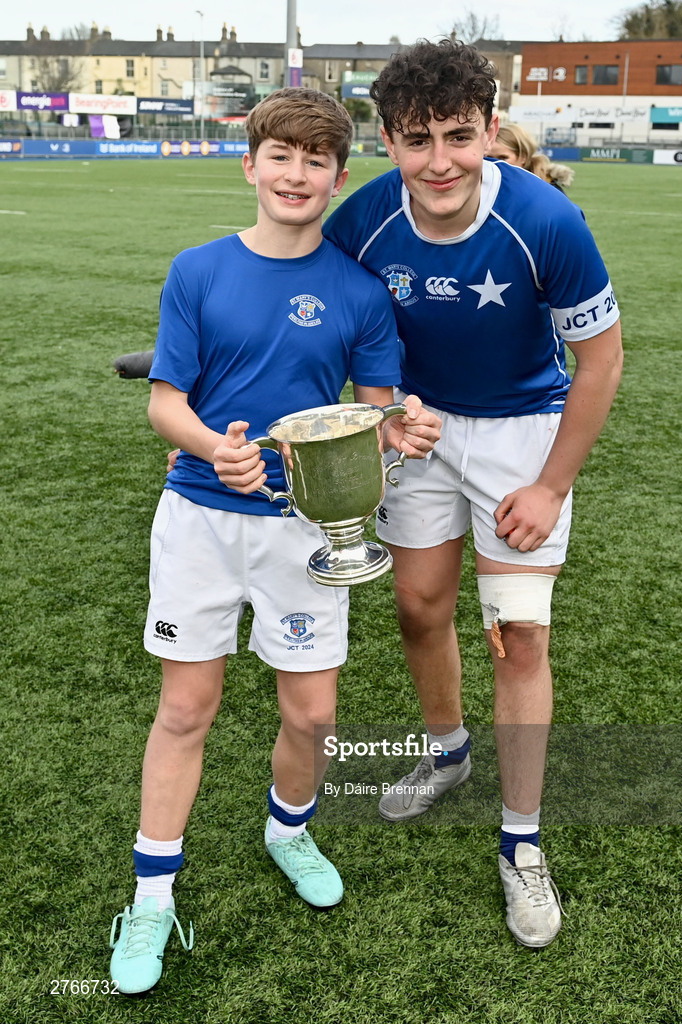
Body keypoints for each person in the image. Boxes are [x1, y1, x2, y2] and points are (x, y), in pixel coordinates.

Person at [108, 87, 441, 996]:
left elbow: (369, 415)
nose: (297, 174)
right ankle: (150, 894)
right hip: (201, 521)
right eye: (281, 156)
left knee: (314, 716)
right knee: (186, 709)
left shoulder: (357, 291)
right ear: (250, 165)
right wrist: (215, 447)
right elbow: (163, 401)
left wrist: (399, 431)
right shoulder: (199, 270)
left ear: (338, 177)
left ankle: (287, 830)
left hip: (304, 529)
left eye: (316, 160)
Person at [323, 39, 622, 948]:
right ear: (387, 140)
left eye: (460, 134)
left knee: (518, 632)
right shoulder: (364, 219)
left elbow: (600, 359)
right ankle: (447, 752)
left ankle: (521, 843)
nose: (441, 159)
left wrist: (548, 482)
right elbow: (311, 303)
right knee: (418, 608)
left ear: (490, 129)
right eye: (418, 140)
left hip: (522, 435)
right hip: (415, 429)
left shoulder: (544, 221)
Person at [491, 121, 575, 191]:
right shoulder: (484, 186)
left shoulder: (547, 190)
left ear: (523, 157)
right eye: (488, 157)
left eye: (503, 158)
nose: (494, 163)